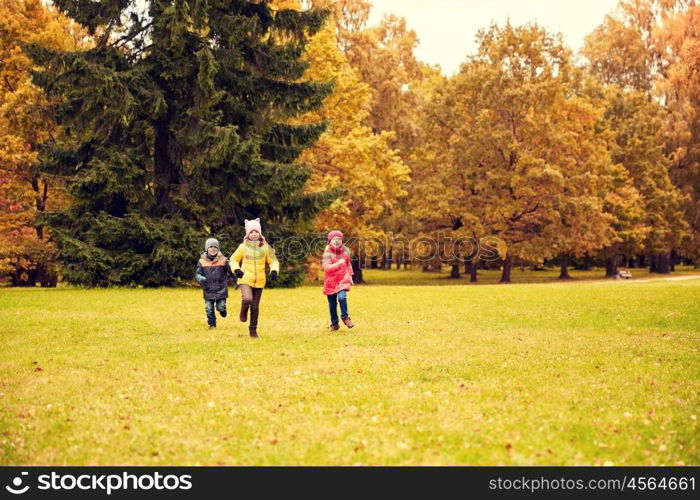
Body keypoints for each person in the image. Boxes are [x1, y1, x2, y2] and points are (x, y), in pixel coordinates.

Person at [230, 218, 279, 338]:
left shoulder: (266, 248)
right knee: (247, 299)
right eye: (251, 232)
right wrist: (237, 270)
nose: (254, 234)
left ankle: (253, 330)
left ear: (260, 233)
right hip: (245, 278)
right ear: (247, 234)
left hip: (260, 280)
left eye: (256, 231)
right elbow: (233, 259)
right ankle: (243, 310)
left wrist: (273, 271)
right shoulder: (243, 247)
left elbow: (273, 261)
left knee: (255, 307)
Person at [322, 230, 355, 331]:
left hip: (343, 279)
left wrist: (351, 276)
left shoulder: (345, 252)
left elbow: (348, 264)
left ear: (342, 241)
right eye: (334, 239)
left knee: (341, 298)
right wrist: (339, 264)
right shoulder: (327, 254)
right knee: (332, 304)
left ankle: (345, 317)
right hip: (330, 282)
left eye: (339, 239)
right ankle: (335, 324)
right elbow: (327, 268)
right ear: (330, 241)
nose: (337, 241)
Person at [195, 237, 230, 329]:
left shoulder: (224, 260)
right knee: (209, 309)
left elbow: (231, 271)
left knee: (221, 307)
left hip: (221, 289)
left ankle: (223, 311)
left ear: (218, 249)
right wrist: (200, 278)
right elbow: (197, 273)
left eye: (215, 247)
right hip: (208, 289)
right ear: (207, 249)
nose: (213, 249)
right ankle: (212, 324)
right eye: (211, 247)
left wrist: (237, 281)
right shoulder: (201, 261)